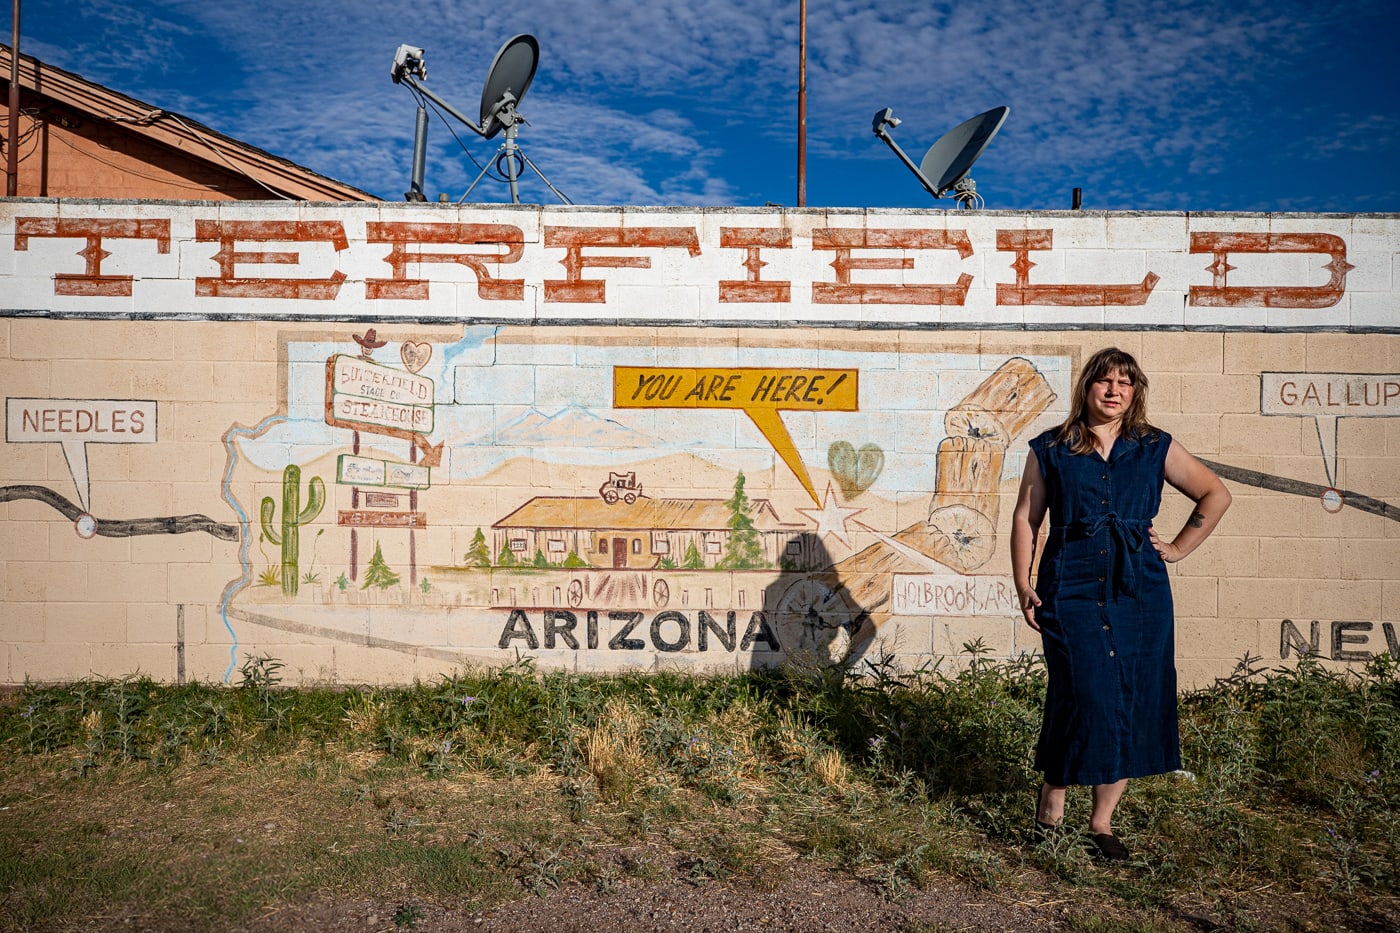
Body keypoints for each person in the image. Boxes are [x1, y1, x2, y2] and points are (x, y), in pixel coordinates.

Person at [1010, 347, 1231, 861]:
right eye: (1104, 381)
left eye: (1124, 383)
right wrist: (1023, 582)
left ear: (1135, 392)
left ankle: (1102, 824)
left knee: (1131, 695)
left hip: (1140, 588)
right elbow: (1027, 517)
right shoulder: (1051, 448)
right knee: (1081, 693)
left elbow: (1214, 495)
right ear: (1086, 388)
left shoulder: (1154, 446)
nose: (1114, 390)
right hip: (1071, 585)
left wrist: (1176, 548)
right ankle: (1051, 806)